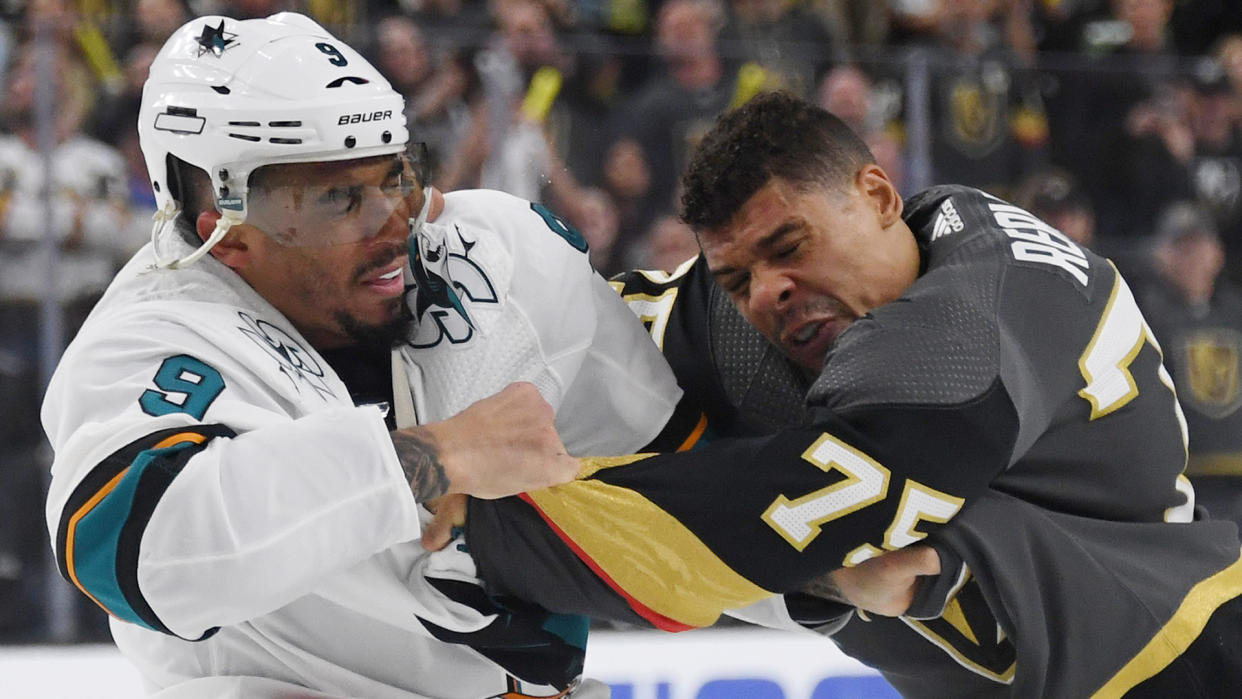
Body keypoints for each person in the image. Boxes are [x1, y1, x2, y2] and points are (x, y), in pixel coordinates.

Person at [457, 92, 1242, 697]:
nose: (771, 292)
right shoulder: (872, 268)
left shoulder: (956, 342)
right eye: (739, 276)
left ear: (878, 194)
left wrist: (467, 515)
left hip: (1184, 659)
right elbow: (644, 318)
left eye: (788, 248)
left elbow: (758, 522)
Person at [41, 13, 692, 698]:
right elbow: (139, 549)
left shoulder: (466, 261)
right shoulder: (151, 330)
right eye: (337, 197)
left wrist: (800, 573)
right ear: (227, 231)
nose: (391, 223)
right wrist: (434, 457)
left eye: (393, 178)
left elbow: (669, 465)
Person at [1137, 201, 1242, 528]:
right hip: (1181, 480)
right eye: (1181, 248)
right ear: (1160, 256)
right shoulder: (1142, 315)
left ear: (1218, 253)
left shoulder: (1236, 312)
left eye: (1199, 247)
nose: (1192, 259)